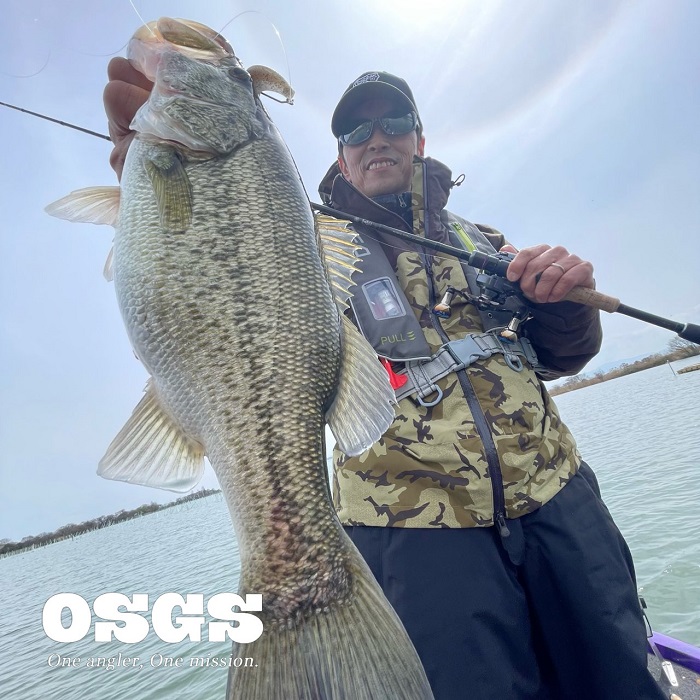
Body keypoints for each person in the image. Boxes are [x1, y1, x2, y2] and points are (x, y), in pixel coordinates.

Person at [104, 59, 666, 699]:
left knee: (624, 678)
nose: (377, 138)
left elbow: (560, 357)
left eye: (394, 122)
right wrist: (158, 193)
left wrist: (566, 306)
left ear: (418, 141)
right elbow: (212, 297)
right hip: (415, 536)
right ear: (342, 160)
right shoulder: (299, 243)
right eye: (355, 131)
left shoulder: (481, 241)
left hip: (560, 499)